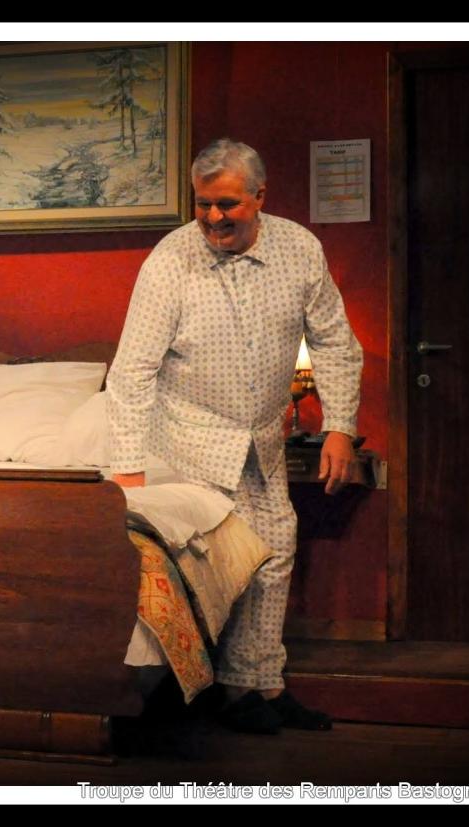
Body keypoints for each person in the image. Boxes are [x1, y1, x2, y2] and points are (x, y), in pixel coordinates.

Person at [106, 139, 364, 734]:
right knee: (220, 561)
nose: (214, 218)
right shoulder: (170, 261)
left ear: (260, 197)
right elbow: (132, 371)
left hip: (262, 441)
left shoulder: (300, 249)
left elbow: (333, 341)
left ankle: (260, 684)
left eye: (227, 204)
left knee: (275, 552)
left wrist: (340, 427)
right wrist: (127, 473)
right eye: (203, 205)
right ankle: (214, 696)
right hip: (188, 440)